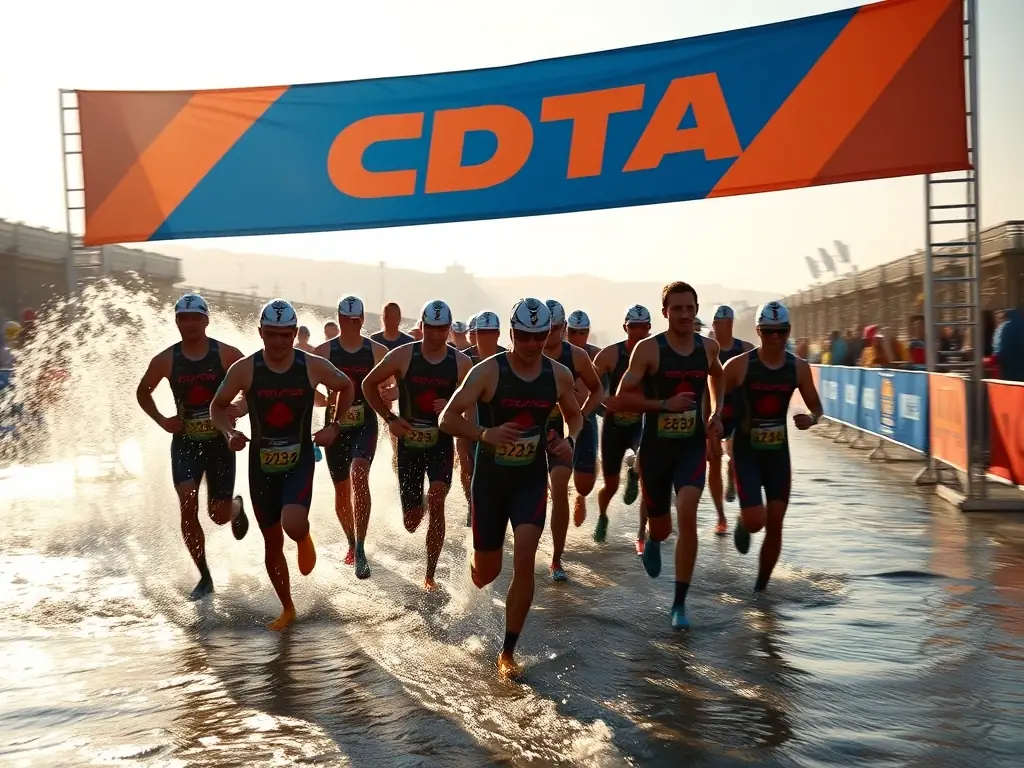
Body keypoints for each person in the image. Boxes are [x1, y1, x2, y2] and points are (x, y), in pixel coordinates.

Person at [439, 298, 582, 679]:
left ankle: (507, 653)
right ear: (512, 334)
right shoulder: (488, 373)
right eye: (524, 337)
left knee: (525, 560)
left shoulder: (558, 376)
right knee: (486, 573)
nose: (532, 344)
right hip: (490, 482)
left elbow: (575, 416)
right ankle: (476, 557)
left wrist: (571, 441)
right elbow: (447, 418)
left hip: (529, 481)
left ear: (547, 334)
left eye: (540, 336)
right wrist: (487, 433)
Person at [211, 299, 355, 631]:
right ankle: (288, 608)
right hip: (260, 467)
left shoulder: (311, 365)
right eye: (272, 335)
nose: (279, 342)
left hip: (299, 462)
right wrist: (229, 431)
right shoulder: (245, 369)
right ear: (261, 332)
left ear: (293, 333)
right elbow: (217, 406)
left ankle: (303, 536)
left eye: (286, 335)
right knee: (272, 541)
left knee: (292, 522)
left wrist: (335, 426)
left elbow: (346, 386)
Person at [614, 281, 725, 629]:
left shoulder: (708, 347)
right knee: (662, 529)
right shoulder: (648, 350)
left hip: (691, 448)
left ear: (695, 309)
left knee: (688, 513)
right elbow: (622, 398)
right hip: (657, 451)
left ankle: (679, 604)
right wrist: (663, 405)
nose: (684, 315)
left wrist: (717, 411)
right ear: (665, 313)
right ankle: (653, 539)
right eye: (677, 309)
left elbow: (717, 375)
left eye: (690, 308)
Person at [136, 293, 250, 601]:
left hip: (219, 444)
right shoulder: (166, 359)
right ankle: (204, 576)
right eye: (182, 318)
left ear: (206, 320)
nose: (189, 324)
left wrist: (237, 409)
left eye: (194, 318)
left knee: (218, 514)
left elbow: (252, 387)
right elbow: (143, 391)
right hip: (185, 443)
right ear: (177, 322)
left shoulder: (226, 354)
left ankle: (236, 508)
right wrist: (161, 419)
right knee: (187, 503)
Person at [361, 300, 472, 590]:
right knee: (411, 522)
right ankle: (419, 506)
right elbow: (368, 385)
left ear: (449, 329)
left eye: (441, 329)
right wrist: (389, 419)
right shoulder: (403, 356)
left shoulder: (460, 363)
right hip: (409, 445)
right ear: (421, 327)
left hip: (441, 444)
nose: (436, 334)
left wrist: (451, 407)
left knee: (437, 501)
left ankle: (430, 575)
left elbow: (474, 403)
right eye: (430, 328)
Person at [725, 302, 823, 593]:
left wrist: (812, 419)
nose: (775, 338)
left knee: (776, 523)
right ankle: (744, 522)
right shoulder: (741, 365)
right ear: (759, 332)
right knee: (757, 522)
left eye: (781, 332)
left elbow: (817, 407)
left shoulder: (798, 368)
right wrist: (716, 423)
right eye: (769, 332)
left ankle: (761, 590)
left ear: (789, 331)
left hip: (778, 455)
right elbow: (716, 392)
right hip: (747, 453)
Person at [313, 296, 388, 580]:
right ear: (340, 319)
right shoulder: (324, 351)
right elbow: (306, 382)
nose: (351, 325)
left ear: (361, 321)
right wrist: (322, 400)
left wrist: (389, 393)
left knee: (359, 474)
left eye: (356, 321)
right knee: (342, 490)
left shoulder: (377, 351)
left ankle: (360, 547)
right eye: (346, 320)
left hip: (364, 423)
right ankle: (349, 539)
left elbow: (397, 378)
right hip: (336, 427)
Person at [542, 299, 603, 580]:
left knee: (561, 486)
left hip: (566, 429)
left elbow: (597, 390)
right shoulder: (526, 351)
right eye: (545, 328)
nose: (549, 334)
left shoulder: (576, 356)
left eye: (555, 328)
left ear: (564, 328)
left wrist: (582, 415)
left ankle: (556, 560)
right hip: (534, 429)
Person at [592, 304, 652, 551]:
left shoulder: (654, 354)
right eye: (633, 327)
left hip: (641, 423)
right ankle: (603, 516)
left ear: (649, 329)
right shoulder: (610, 355)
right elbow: (589, 384)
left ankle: (641, 533)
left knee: (646, 470)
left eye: (643, 327)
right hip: (614, 427)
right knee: (611, 486)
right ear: (625, 328)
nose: (637, 332)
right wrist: (603, 401)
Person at [706, 305, 754, 534]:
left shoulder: (744, 349)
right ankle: (721, 516)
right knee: (713, 461)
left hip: (738, 411)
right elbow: (703, 390)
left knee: (736, 454)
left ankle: (733, 476)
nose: (719, 327)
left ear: (731, 324)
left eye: (724, 323)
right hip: (715, 414)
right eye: (716, 323)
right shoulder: (707, 351)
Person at [457, 311, 506, 512]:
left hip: (498, 423)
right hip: (469, 423)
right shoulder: (465, 358)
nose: (485, 338)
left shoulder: (507, 358)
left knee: (497, 474)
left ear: (498, 334)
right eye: (481, 333)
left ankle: (493, 509)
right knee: (467, 466)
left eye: (490, 333)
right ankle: (472, 505)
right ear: (474, 334)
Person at [563, 309, 602, 527]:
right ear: (566, 331)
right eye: (574, 332)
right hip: (560, 421)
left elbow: (607, 387)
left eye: (583, 332)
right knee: (556, 477)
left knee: (584, 484)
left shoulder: (596, 355)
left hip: (585, 420)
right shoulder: (558, 353)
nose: (578, 337)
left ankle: (580, 496)